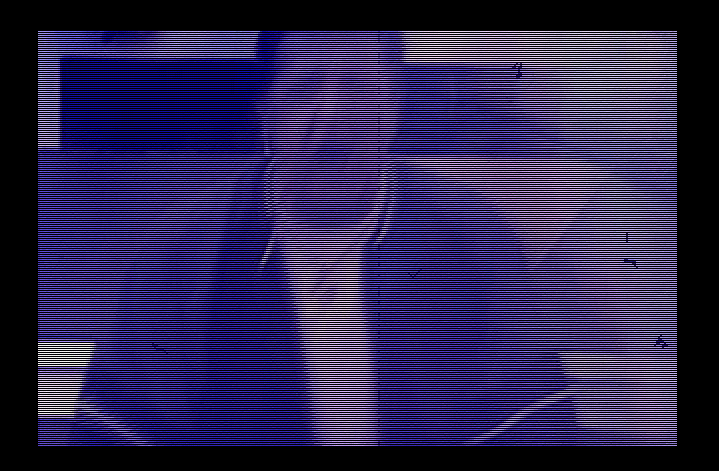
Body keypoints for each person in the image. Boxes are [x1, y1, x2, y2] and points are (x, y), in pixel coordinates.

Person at [68, 31, 676, 446]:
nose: (334, 118)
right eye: (306, 88)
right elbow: (114, 430)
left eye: (359, 86)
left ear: (396, 105)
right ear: (264, 109)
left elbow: (530, 424)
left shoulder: (474, 240)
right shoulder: (181, 260)